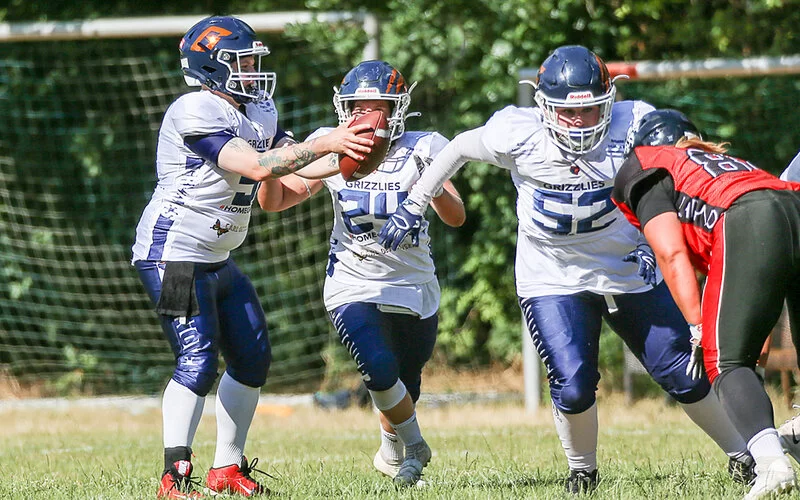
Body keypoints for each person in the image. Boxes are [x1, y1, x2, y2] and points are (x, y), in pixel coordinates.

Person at [377, 45, 755, 493]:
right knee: (573, 383)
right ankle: (583, 471)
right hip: (552, 274)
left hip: (628, 266)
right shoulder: (517, 132)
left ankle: (743, 455)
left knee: (683, 372)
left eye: (591, 109)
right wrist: (415, 203)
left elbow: (684, 169)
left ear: (608, 101)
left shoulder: (634, 123)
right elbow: (457, 147)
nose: (580, 122)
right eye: (567, 112)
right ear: (543, 107)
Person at [131, 16, 375, 499]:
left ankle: (227, 467)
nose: (251, 70)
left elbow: (287, 173)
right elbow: (256, 165)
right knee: (197, 359)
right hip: (173, 255)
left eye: (252, 60)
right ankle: (173, 476)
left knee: (252, 356)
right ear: (210, 66)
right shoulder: (194, 109)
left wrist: (354, 157)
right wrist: (327, 141)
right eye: (241, 61)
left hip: (218, 257)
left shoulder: (257, 109)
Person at [258, 60, 466, 487]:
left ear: (398, 110)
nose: (368, 120)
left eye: (379, 109)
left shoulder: (423, 146)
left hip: (413, 284)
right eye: (359, 108)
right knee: (377, 364)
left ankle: (392, 451)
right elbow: (275, 201)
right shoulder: (330, 144)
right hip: (351, 280)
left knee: (405, 381)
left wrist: (433, 186)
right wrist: (267, 161)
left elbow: (457, 216)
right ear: (344, 109)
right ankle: (417, 445)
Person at [611, 108, 800, 498]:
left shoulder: (645, 165)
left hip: (749, 217)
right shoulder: (727, 165)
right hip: (790, 205)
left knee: (723, 361)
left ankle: (771, 463)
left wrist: (698, 326)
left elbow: (671, 254)